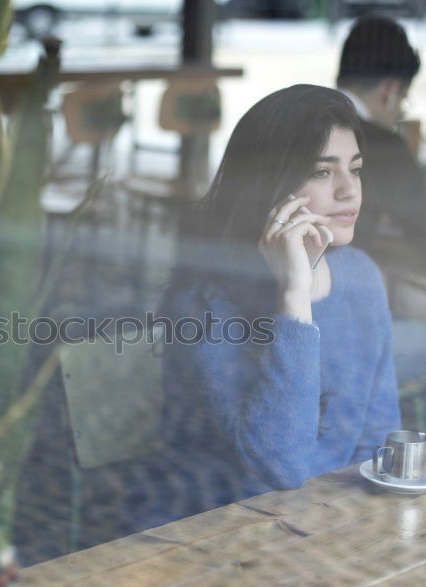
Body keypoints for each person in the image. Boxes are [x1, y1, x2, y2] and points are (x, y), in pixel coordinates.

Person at [128, 85, 399, 530]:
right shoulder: (204, 303)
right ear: (269, 185)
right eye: (321, 172)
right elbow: (280, 467)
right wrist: (294, 296)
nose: (349, 191)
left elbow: (377, 436)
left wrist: (357, 531)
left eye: (356, 169)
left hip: (324, 529)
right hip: (216, 536)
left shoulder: (362, 276)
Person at [336, 15, 426, 435]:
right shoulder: (377, 142)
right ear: (389, 90)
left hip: (251, 323)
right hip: (331, 341)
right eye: (404, 101)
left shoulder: (290, 118)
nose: (401, 111)